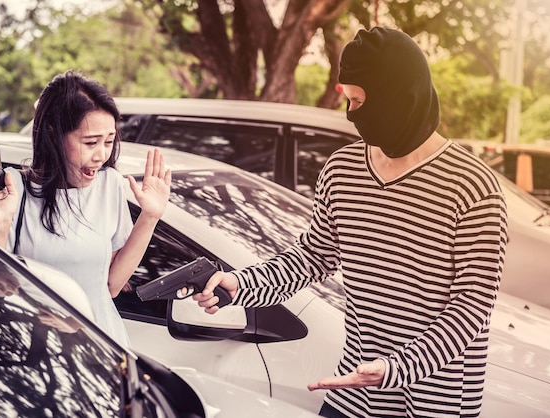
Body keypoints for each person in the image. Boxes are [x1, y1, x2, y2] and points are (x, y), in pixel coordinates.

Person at [192, 27, 508, 417]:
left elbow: (472, 305)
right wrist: (241, 284)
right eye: (348, 99)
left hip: (436, 400)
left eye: (361, 101)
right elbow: (312, 257)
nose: (352, 114)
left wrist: (397, 369)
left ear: (400, 98)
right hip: (356, 390)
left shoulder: (472, 185)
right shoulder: (342, 170)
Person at [0, 70, 171, 346]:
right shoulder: (9, 190)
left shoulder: (108, 185)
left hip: (103, 344)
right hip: (35, 349)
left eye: (109, 141)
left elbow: (111, 286)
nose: (101, 155)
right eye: (90, 142)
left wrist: (150, 217)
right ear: (53, 134)